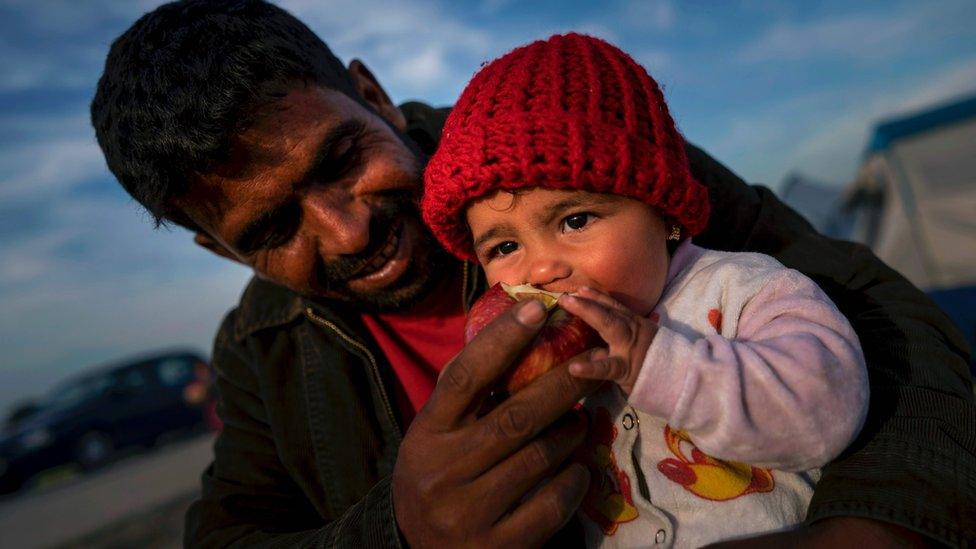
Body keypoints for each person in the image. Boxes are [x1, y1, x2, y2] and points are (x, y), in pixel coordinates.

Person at [88, 1, 975, 547]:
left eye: (341, 157)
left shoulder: (579, 143)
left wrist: (871, 530)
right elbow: (227, 535)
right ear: (223, 252)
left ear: (373, 94)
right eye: (273, 227)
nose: (349, 226)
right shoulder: (257, 353)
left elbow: (878, 310)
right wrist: (399, 534)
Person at [422, 33, 870, 548]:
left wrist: (658, 363)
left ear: (664, 215)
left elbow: (827, 411)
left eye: (575, 219)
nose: (540, 269)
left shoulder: (744, 290)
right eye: (502, 248)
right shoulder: (527, 360)